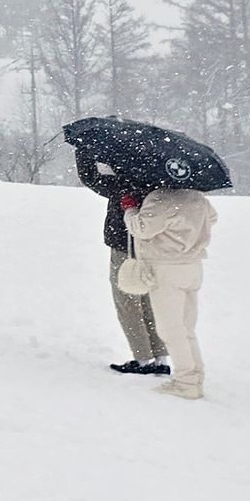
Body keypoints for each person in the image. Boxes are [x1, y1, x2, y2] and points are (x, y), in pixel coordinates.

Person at [76, 147, 166, 376]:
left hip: (125, 246)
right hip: (155, 246)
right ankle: (161, 357)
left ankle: (143, 359)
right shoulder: (161, 178)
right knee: (151, 301)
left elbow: (91, 177)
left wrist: (84, 150)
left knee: (127, 302)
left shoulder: (125, 181)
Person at [126, 187, 217, 400]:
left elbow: (141, 229)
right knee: (186, 328)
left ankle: (185, 382)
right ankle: (195, 377)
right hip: (192, 266)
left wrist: (129, 210)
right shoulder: (196, 196)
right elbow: (212, 217)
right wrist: (187, 233)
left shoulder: (162, 198)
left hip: (166, 267)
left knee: (170, 329)